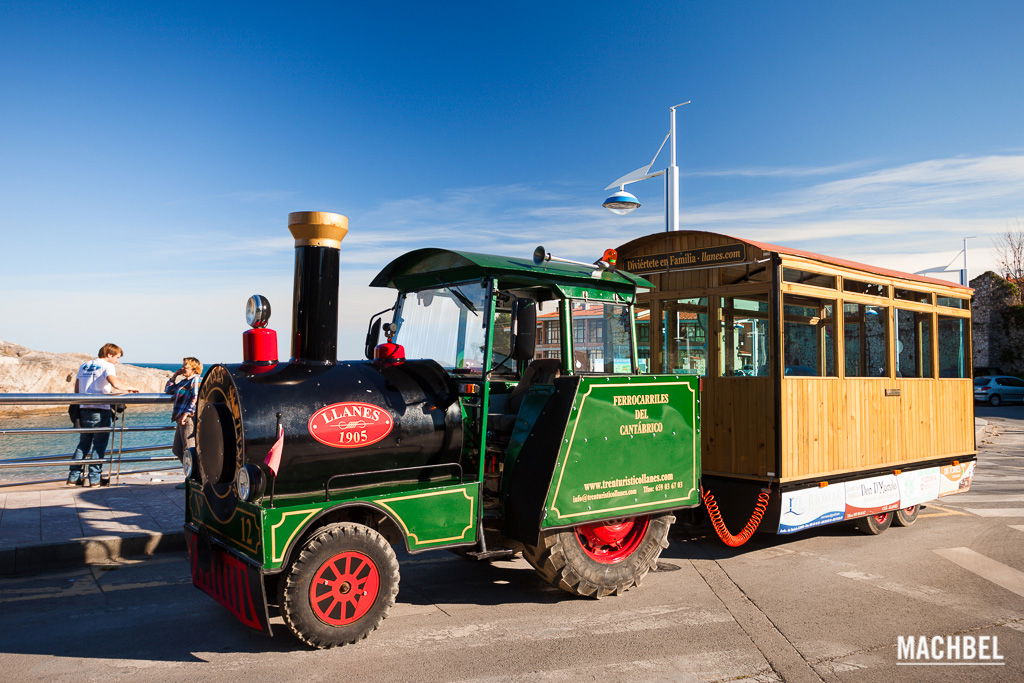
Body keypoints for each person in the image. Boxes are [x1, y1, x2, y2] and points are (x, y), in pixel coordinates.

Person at [67, 343, 140, 487]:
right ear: (109, 354)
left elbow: (77, 388)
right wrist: (129, 388)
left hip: (83, 408)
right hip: (100, 410)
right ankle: (94, 479)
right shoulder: (107, 366)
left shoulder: (84, 365)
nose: (117, 361)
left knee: (83, 444)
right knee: (99, 445)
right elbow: (115, 383)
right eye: (117, 357)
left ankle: (73, 477)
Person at [165, 357, 203, 489]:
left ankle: (193, 479)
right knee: (177, 449)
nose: (183, 369)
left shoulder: (196, 379)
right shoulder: (184, 381)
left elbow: (196, 398)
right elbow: (168, 390)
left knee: (189, 449)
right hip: (180, 418)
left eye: (185, 367)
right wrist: (174, 376)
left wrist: (186, 413)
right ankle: (190, 475)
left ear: (194, 368)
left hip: (188, 419)